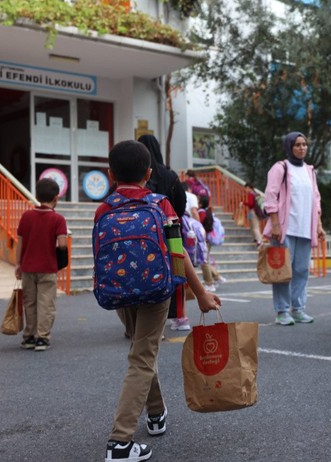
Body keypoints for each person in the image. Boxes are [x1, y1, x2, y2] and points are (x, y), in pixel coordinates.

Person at [97, 140, 221, 461]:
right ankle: (120, 442)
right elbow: (178, 255)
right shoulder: (161, 204)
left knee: (141, 348)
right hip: (156, 289)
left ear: (111, 174)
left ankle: (155, 413)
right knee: (142, 356)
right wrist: (200, 293)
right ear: (149, 173)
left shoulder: (104, 209)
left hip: (119, 290)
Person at [263, 131, 324, 326]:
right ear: (289, 147)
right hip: (285, 228)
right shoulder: (281, 168)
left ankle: (298, 309)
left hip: (305, 228)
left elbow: (316, 199)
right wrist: (275, 224)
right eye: (297, 144)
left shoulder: (309, 171)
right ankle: (282, 310)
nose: (302, 148)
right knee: (282, 270)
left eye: (304, 144)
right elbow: (270, 197)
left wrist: (319, 225)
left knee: (301, 270)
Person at [137, 134, 190, 333]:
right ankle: (181, 317)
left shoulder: (140, 177)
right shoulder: (170, 175)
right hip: (171, 232)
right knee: (177, 270)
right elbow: (181, 203)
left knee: (147, 271)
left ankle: (148, 319)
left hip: (146, 233)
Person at [15, 178, 68, 352]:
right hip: (48, 267)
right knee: (46, 303)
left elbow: (20, 243)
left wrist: (18, 264)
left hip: (28, 267)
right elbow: (62, 244)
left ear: (37, 196)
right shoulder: (58, 219)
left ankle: (29, 336)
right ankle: (42, 338)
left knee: (29, 302)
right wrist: (61, 260)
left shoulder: (26, 216)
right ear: (56, 198)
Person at [197, 194, 227, 292]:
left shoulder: (201, 213)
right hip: (208, 240)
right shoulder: (208, 211)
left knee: (204, 262)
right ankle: (217, 277)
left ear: (200, 204)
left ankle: (209, 283)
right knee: (205, 261)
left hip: (204, 240)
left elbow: (198, 225)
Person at [242, 182, 263, 247]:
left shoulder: (250, 194)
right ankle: (255, 239)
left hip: (252, 212)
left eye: (246, 188)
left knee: (254, 227)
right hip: (253, 211)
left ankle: (259, 241)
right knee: (252, 225)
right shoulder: (256, 194)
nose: (245, 190)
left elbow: (250, 204)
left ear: (249, 188)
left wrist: (243, 203)